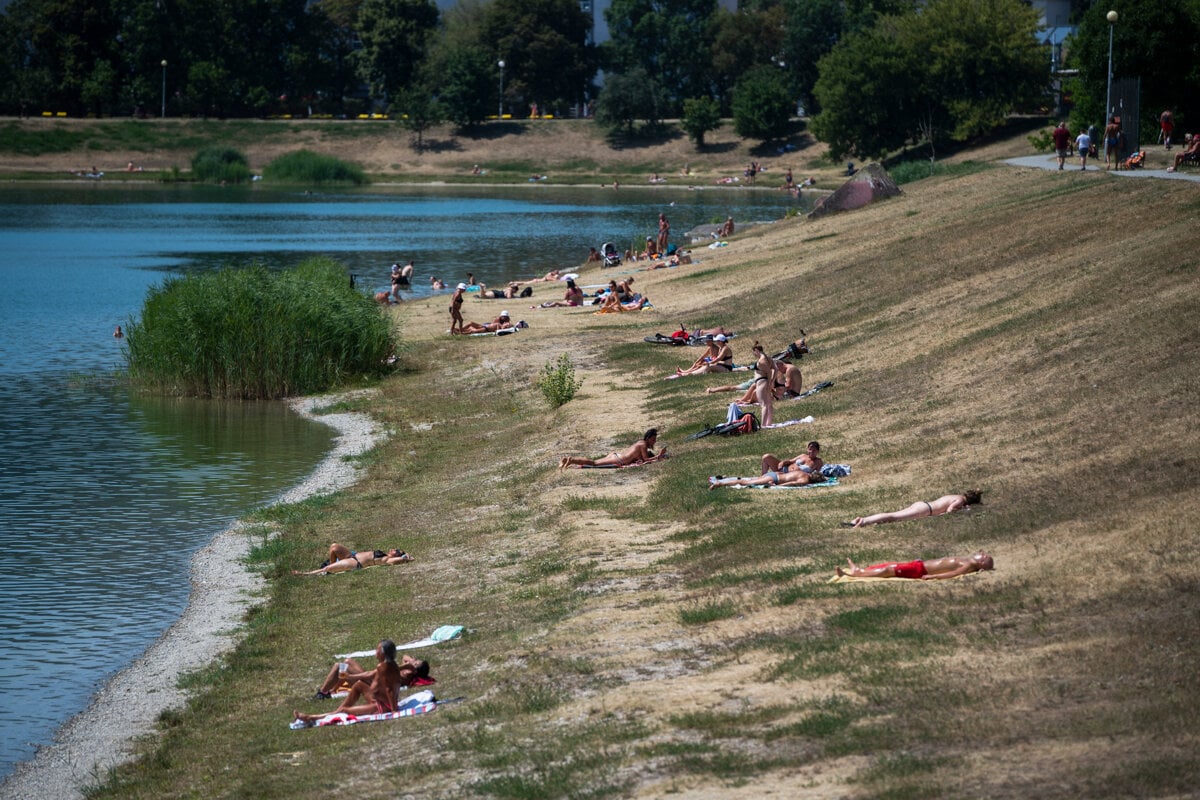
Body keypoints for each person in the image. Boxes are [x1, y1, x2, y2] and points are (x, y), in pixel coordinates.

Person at [294, 641, 417, 724]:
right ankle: (338, 709)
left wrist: (394, 710)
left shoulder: (384, 667)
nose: (375, 652)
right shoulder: (390, 665)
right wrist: (350, 677)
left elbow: (388, 689)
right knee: (358, 685)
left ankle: (312, 717)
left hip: (381, 707)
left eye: (377, 650)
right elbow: (370, 674)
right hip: (380, 701)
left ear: (383, 653)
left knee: (344, 712)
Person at [311, 648, 430, 699]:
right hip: (372, 680)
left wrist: (406, 665)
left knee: (339, 667)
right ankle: (333, 688)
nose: (413, 661)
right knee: (348, 661)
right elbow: (405, 656)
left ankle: (322, 693)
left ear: (414, 671)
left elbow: (381, 671)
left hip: (371, 684)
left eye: (415, 663)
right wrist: (411, 662)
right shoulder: (408, 669)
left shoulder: (406, 674)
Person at [845, 490, 982, 528]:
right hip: (924, 510)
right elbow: (950, 510)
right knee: (892, 517)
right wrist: (965, 510)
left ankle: (860, 520)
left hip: (923, 505)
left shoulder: (956, 495)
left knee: (892, 516)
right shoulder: (960, 501)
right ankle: (862, 521)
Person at [836, 552, 994, 580]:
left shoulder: (970, 564)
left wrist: (933, 576)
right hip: (919, 565)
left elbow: (952, 574)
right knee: (890, 565)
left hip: (920, 570)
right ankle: (862, 570)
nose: (982, 554)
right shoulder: (968, 561)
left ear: (982, 563)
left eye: (985, 556)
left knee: (887, 570)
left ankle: (854, 574)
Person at [560, 428, 666, 469]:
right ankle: (572, 460)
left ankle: (567, 460)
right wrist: (659, 456)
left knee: (595, 462)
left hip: (617, 455)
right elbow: (646, 460)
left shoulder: (640, 442)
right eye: (653, 440)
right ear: (648, 438)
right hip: (618, 459)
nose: (654, 442)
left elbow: (641, 459)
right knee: (594, 463)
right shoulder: (643, 445)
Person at [292, 544, 414, 576]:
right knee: (334, 547)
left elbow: (398, 561)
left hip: (356, 563)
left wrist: (405, 558)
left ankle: (305, 574)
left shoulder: (386, 559)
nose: (394, 549)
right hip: (352, 555)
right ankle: (332, 567)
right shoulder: (384, 554)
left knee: (327, 568)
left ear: (396, 555)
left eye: (397, 550)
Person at [708, 469, 826, 490]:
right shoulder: (805, 480)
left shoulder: (803, 472)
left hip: (774, 474)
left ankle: (723, 480)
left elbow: (787, 474)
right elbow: (792, 483)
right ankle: (720, 484)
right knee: (744, 482)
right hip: (774, 478)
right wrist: (778, 486)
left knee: (746, 479)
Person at [750, 341, 775, 427]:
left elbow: (769, 372)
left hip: (762, 382)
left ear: (756, 350)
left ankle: (763, 425)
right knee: (768, 404)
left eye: (754, 352)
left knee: (763, 404)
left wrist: (769, 382)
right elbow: (775, 369)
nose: (754, 354)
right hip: (765, 382)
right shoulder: (768, 358)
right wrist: (771, 381)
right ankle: (769, 423)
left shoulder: (761, 361)